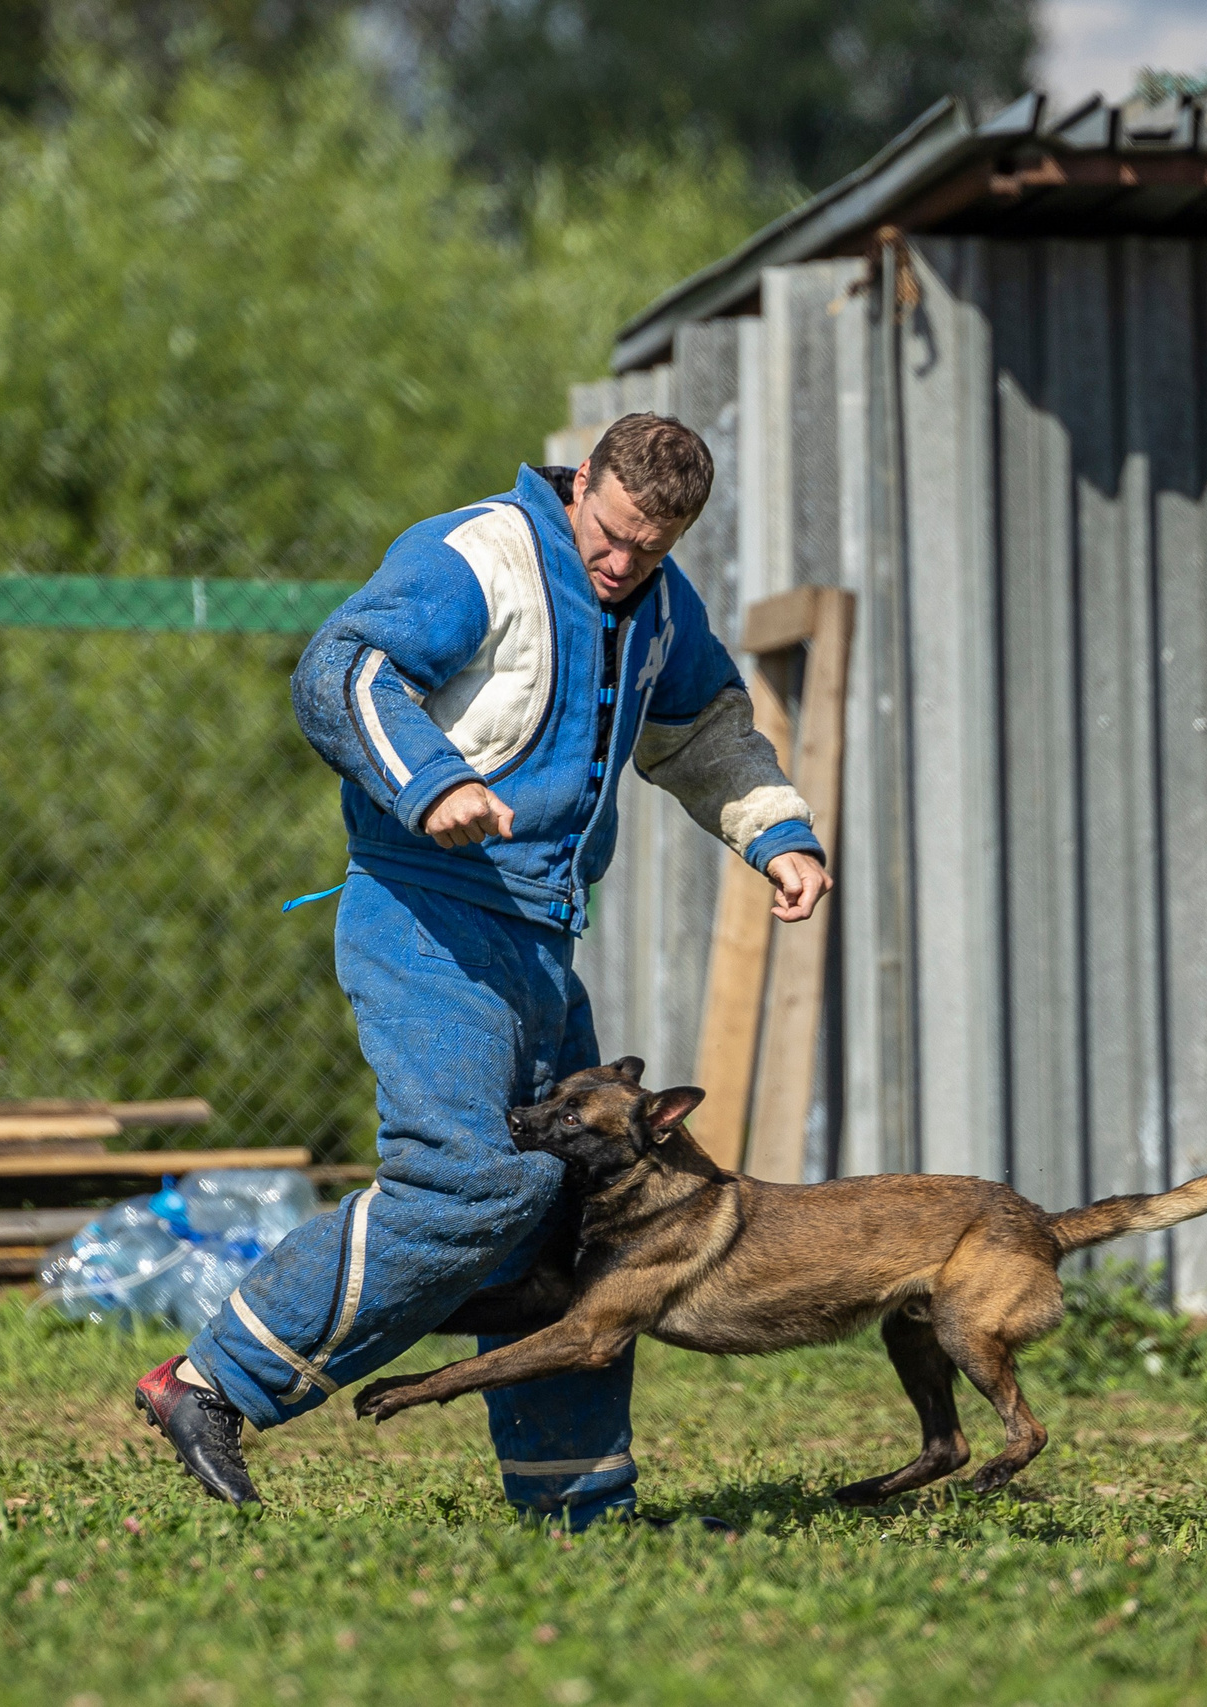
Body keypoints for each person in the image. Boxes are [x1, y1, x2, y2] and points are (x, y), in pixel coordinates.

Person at [132, 412, 832, 1528]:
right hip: (426, 912)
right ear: (581, 483)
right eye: (606, 535)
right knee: (471, 1180)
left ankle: (580, 1507)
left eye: (647, 550)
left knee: (579, 1216)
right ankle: (212, 1382)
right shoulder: (476, 554)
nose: (619, 563)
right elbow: (343, 669)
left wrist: (778, 835)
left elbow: (702, 733)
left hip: (542, 937)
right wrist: (432, 780)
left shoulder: (657, 610)